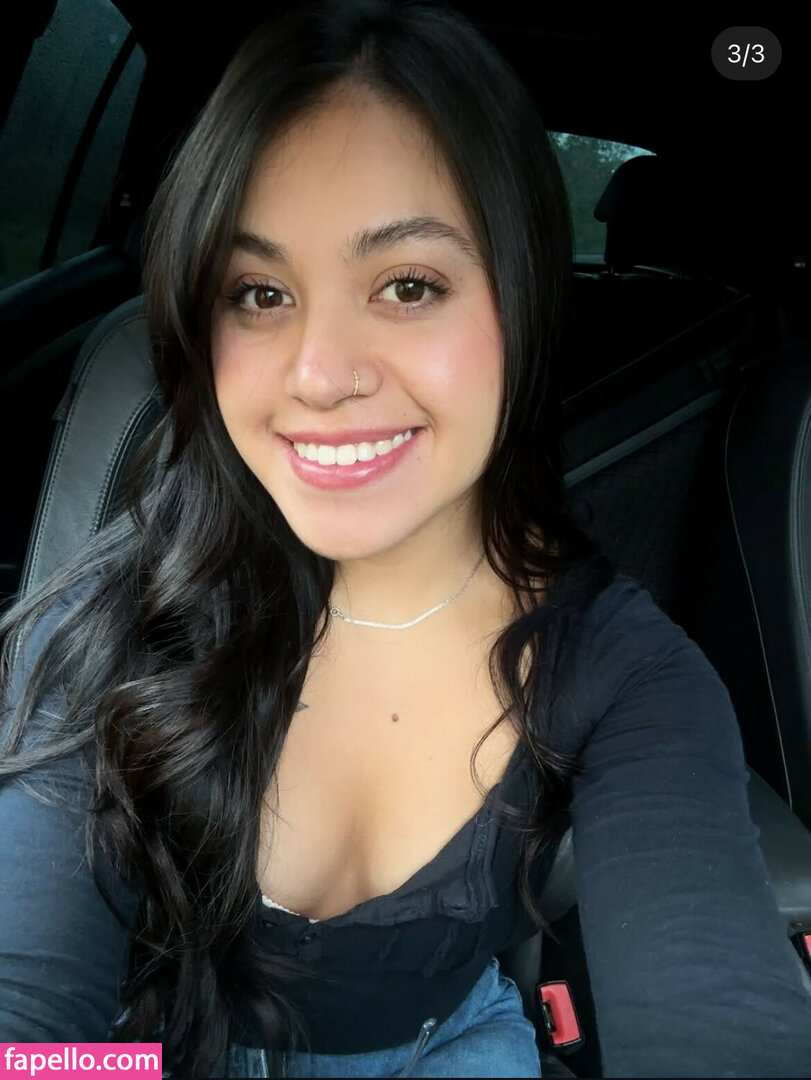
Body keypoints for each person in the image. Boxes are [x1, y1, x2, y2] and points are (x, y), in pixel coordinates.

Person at [2, 1, 811, 1077]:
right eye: (260, 292)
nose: (318, 373)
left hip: (451, 1045)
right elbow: (24, 1032)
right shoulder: (105, 626)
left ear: (521, 305)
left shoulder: (628, 677)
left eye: (407, 285)